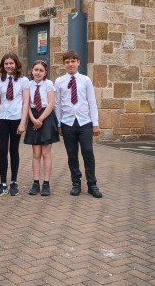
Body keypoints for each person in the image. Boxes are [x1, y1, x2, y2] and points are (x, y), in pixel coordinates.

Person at [54, 50, 102, 198]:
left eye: (73, 61)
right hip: (67, 123)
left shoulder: (85, 80)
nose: (70, 64)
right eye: (67, 62)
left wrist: (95, 123)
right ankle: (76, 183)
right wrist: (59, 124)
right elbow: (57, 105)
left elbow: (92, 102)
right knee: (72, 155)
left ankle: (92, 184)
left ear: (78, 62)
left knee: (88, 152)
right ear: (64, 64)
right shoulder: (59, 81)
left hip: (84, 123)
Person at [0, 53, 30, 197]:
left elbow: (26, 101)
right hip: (2, 119)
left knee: (14, 149)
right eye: (6, 64)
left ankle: (14, 182)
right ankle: (3, 184)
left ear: (16, 64)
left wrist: (23, 122)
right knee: (2, 150)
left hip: (16, 119)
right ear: (3, 66)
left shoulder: (23, 81)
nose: (9, 66)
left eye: (11, 63)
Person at [24, 60, 59, 196]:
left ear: (45, 73)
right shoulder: (28, 84)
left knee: (46, 153)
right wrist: (32, 119)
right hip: (33, 115)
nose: (38, 72)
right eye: (35, 70)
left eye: (41, 70)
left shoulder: (48, 84)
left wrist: (41, 119)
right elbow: (26, 103)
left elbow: (51, 103)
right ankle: (35, 182)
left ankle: (46, 183)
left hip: (46, 117)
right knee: (36, 154)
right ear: (31, 71)